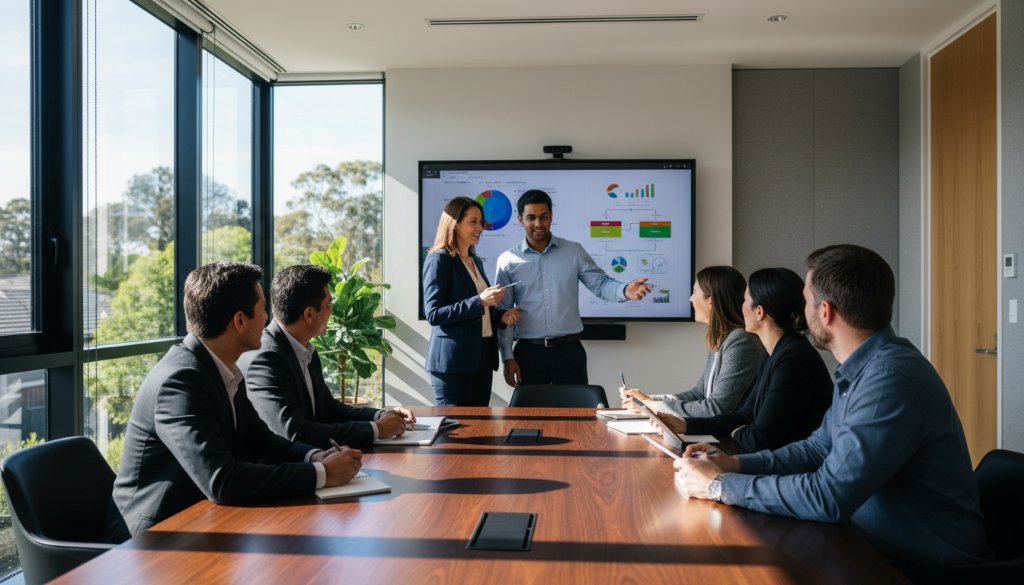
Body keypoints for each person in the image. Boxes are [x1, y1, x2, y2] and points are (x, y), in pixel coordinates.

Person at [675, 245, 993, 567]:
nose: (801, 311)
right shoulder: (864, 370)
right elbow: (816, 449)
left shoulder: (889, 380)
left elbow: (828, 496)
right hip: (866, 542)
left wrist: (719, 486)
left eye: (806, 300)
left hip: (917, 566)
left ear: (824, 312)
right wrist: (734, 465)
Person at [107, 262, 363, 539]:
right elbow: (222, 480)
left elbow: (259, 438)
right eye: (263, 309)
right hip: (159, 537)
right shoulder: (181, 380)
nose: (268, 320)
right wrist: (321, 473)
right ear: (240, 321)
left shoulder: (220, 367)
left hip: (206, 519)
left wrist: (313, 455)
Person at [655, 268, 833, 452]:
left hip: (793, 470)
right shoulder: (774, 353)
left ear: (759, 312)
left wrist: (738, 433)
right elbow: (745, 415)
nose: (740, 305)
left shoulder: (793, 358)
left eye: (745, 300)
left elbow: (759, 439)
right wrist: (685, 425)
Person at [243, 264, 415, 449]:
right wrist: (376, 429)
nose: (331, 310)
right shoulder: (267, 358)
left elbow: (328, 408)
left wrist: (380, 416)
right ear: (309, 314)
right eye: (328, 304)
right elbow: (295, 432)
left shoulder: (305, 349)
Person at [495, 189, 653, 386]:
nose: (538, 223)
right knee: (531, 416)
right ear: (520, 219)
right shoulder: (508, 261)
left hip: (569, 352)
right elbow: (504, 314)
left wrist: (625, 290)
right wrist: (507, 358)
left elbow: (600, 284)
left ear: (551, 217)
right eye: (531, 218)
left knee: (578, 414)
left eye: (544, 217)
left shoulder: (573, 251)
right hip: (528, 354)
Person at [622, 266, 764, 417]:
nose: (690, 298)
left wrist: (653, 406)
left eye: (695, 292)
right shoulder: (720, 338)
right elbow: (699, 394)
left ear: (711, 300)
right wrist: (648, 400)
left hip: (728, 436)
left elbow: (716, 408)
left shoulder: (740, 341)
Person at [423, 197, 520, 405]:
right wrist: (479, 300)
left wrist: (502, 317)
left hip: (482, 360)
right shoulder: (438, 259)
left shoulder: (474, 260)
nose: (479, 227)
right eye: (473, 221)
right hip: (453, 364)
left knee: (481, 429)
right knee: (455, 430)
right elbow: (434, 313)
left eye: (481, 222)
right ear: (455, 223)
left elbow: (481, 311)